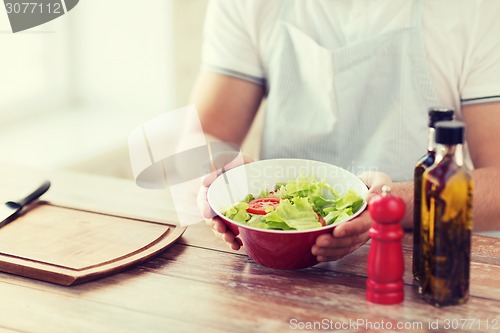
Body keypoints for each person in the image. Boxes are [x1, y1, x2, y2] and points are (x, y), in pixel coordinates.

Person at [192, 0, 500, 262]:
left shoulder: (475, 12)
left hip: (420, 259)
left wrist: (388, 205)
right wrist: (223, 178)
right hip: (276, 258)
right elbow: (207, 136)